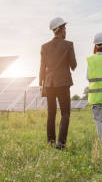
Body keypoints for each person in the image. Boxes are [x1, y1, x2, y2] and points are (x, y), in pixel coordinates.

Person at [39, 17, 77, 149]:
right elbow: (74, 66)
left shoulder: (44, 47)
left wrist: (41, 84)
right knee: (65, 113)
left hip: (49, 84)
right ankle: (60, 143)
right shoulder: (68, 45)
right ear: (60, 30)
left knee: (51, 113)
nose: (66, 31)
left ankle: (50, 142)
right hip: (63, 83)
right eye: (65, 28)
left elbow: (42, 68)